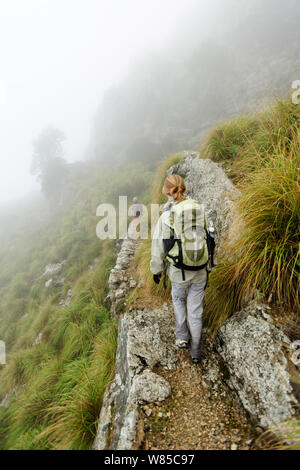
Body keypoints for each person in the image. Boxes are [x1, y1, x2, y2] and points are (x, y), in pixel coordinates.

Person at [150, 174, 211, 364]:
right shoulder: (200, 210)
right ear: (183, 188)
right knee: (196, 310)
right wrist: (210, 264)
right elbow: (210, 240)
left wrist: (156, 270)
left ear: (169, 193)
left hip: (178, 272)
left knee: (178, 299)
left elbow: (158, 247)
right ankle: (196, 350)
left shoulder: (167, 216)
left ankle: (182, 337)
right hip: (201, 269)